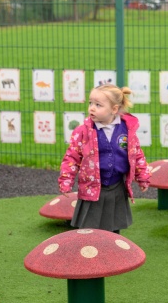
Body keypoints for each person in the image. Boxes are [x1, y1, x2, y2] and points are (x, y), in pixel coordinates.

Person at [58, 84, 151, 234]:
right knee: (89, 230)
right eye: (90, 103)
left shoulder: (126, 130)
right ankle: (88, 248)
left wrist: (143, 176)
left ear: (114, 109)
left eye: (98, 105)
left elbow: (136, 154)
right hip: (92, 187)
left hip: (116, 187)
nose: (92, 108)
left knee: (113, 229)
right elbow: (72, 157)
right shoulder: (83, 131)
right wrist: (66, 180)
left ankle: (112, 248)